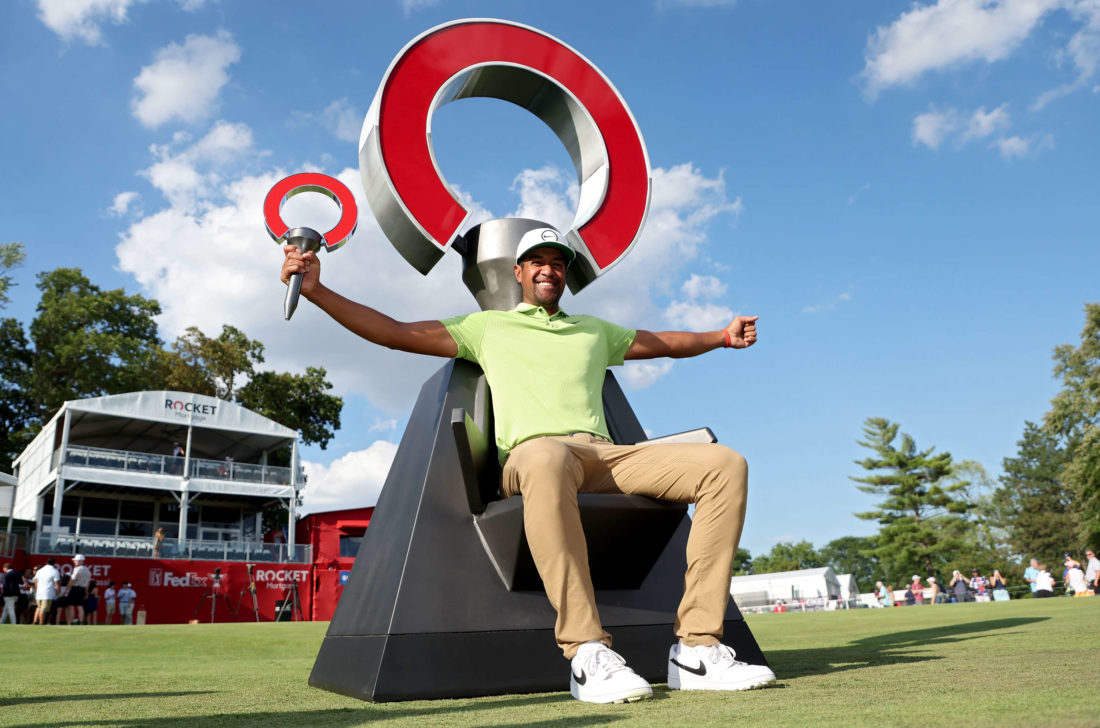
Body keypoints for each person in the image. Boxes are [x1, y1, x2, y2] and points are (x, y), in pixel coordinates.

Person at [280, 227, 774, 703]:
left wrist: (720, 337)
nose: (550, 270)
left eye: (558, 264)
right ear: (519, 272)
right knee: (547, 455)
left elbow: (663, 343)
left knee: (724, 465)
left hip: (603, 456)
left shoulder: (593, 331)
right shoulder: (487, 327)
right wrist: (319, 290)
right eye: (539, 262)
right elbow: (395, 333)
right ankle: (587, 650)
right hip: (533, 455)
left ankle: (698, 649)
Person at [32, 558, 60, 625]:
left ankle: (35, 621)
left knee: (38, 607)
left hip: (39, 593)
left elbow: (36, 582)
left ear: (46, 562)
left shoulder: (40, 571)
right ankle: (41, 623)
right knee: (43, 609)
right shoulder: (54, 571)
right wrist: (58, 591)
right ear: (54, 564)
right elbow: (57, 583)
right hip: (47, 593)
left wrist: (36, 590)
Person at [69, 554, 91, 624]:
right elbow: (88, 582)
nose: (74, 562)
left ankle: (72, 621)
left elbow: (73, 579)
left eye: (75, 560)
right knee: (80, 606)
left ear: (80, 561)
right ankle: (81, 621)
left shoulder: (77, 569)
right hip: (82, 589)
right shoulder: (87, 570)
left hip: (75, 588)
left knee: (71, 605)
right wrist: (86, 592)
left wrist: (67, 588)